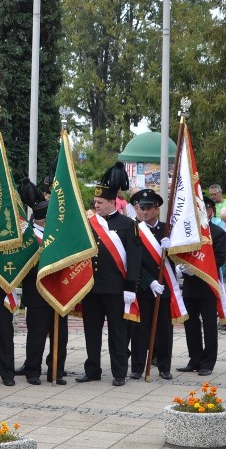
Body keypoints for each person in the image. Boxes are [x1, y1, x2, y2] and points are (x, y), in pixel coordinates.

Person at [77, 162, 141, 386]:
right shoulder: (89, 223)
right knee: (91, 331)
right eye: (95, 202)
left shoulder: (127, 224)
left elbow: (134, 258)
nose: (96, 206)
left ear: (113, 202)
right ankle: (92, 369)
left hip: (115, 289)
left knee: (118, 333)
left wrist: (130, 287)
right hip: (91, 287)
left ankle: (119, 372)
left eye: (100, 203)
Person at [17, 178, 68, 386]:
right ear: (43, 218)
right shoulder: (28, 237)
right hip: (36, 293)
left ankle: (56, 370)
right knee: (36, 335)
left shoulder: (57, 236)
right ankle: (33, 371)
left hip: (58, 291)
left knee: (60, 335)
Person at [177, 197, 226, 376]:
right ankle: (195, 359)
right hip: (190, 285)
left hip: (207, 285)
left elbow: (219, 259)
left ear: (211, 211)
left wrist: (197, 269)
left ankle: (208, 362)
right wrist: (181, 267)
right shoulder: (189, 232)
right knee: (190, 324)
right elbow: (181, 252)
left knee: (209, 325)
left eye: (205, 209)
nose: (202, 212)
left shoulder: (218, 233)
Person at [129, 188, 172, 380]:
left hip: (165, 287)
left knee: (164, 329)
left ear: (157, 209)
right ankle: (137, 368)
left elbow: (178, 260)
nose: (144, 212)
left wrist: (172, 251)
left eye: (148, 208)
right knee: (140, 330)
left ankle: (164, 367)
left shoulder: (168, 229)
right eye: (141, 208)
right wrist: (150, 281)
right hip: (144, 287)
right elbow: (131, 262)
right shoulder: (134, 231)